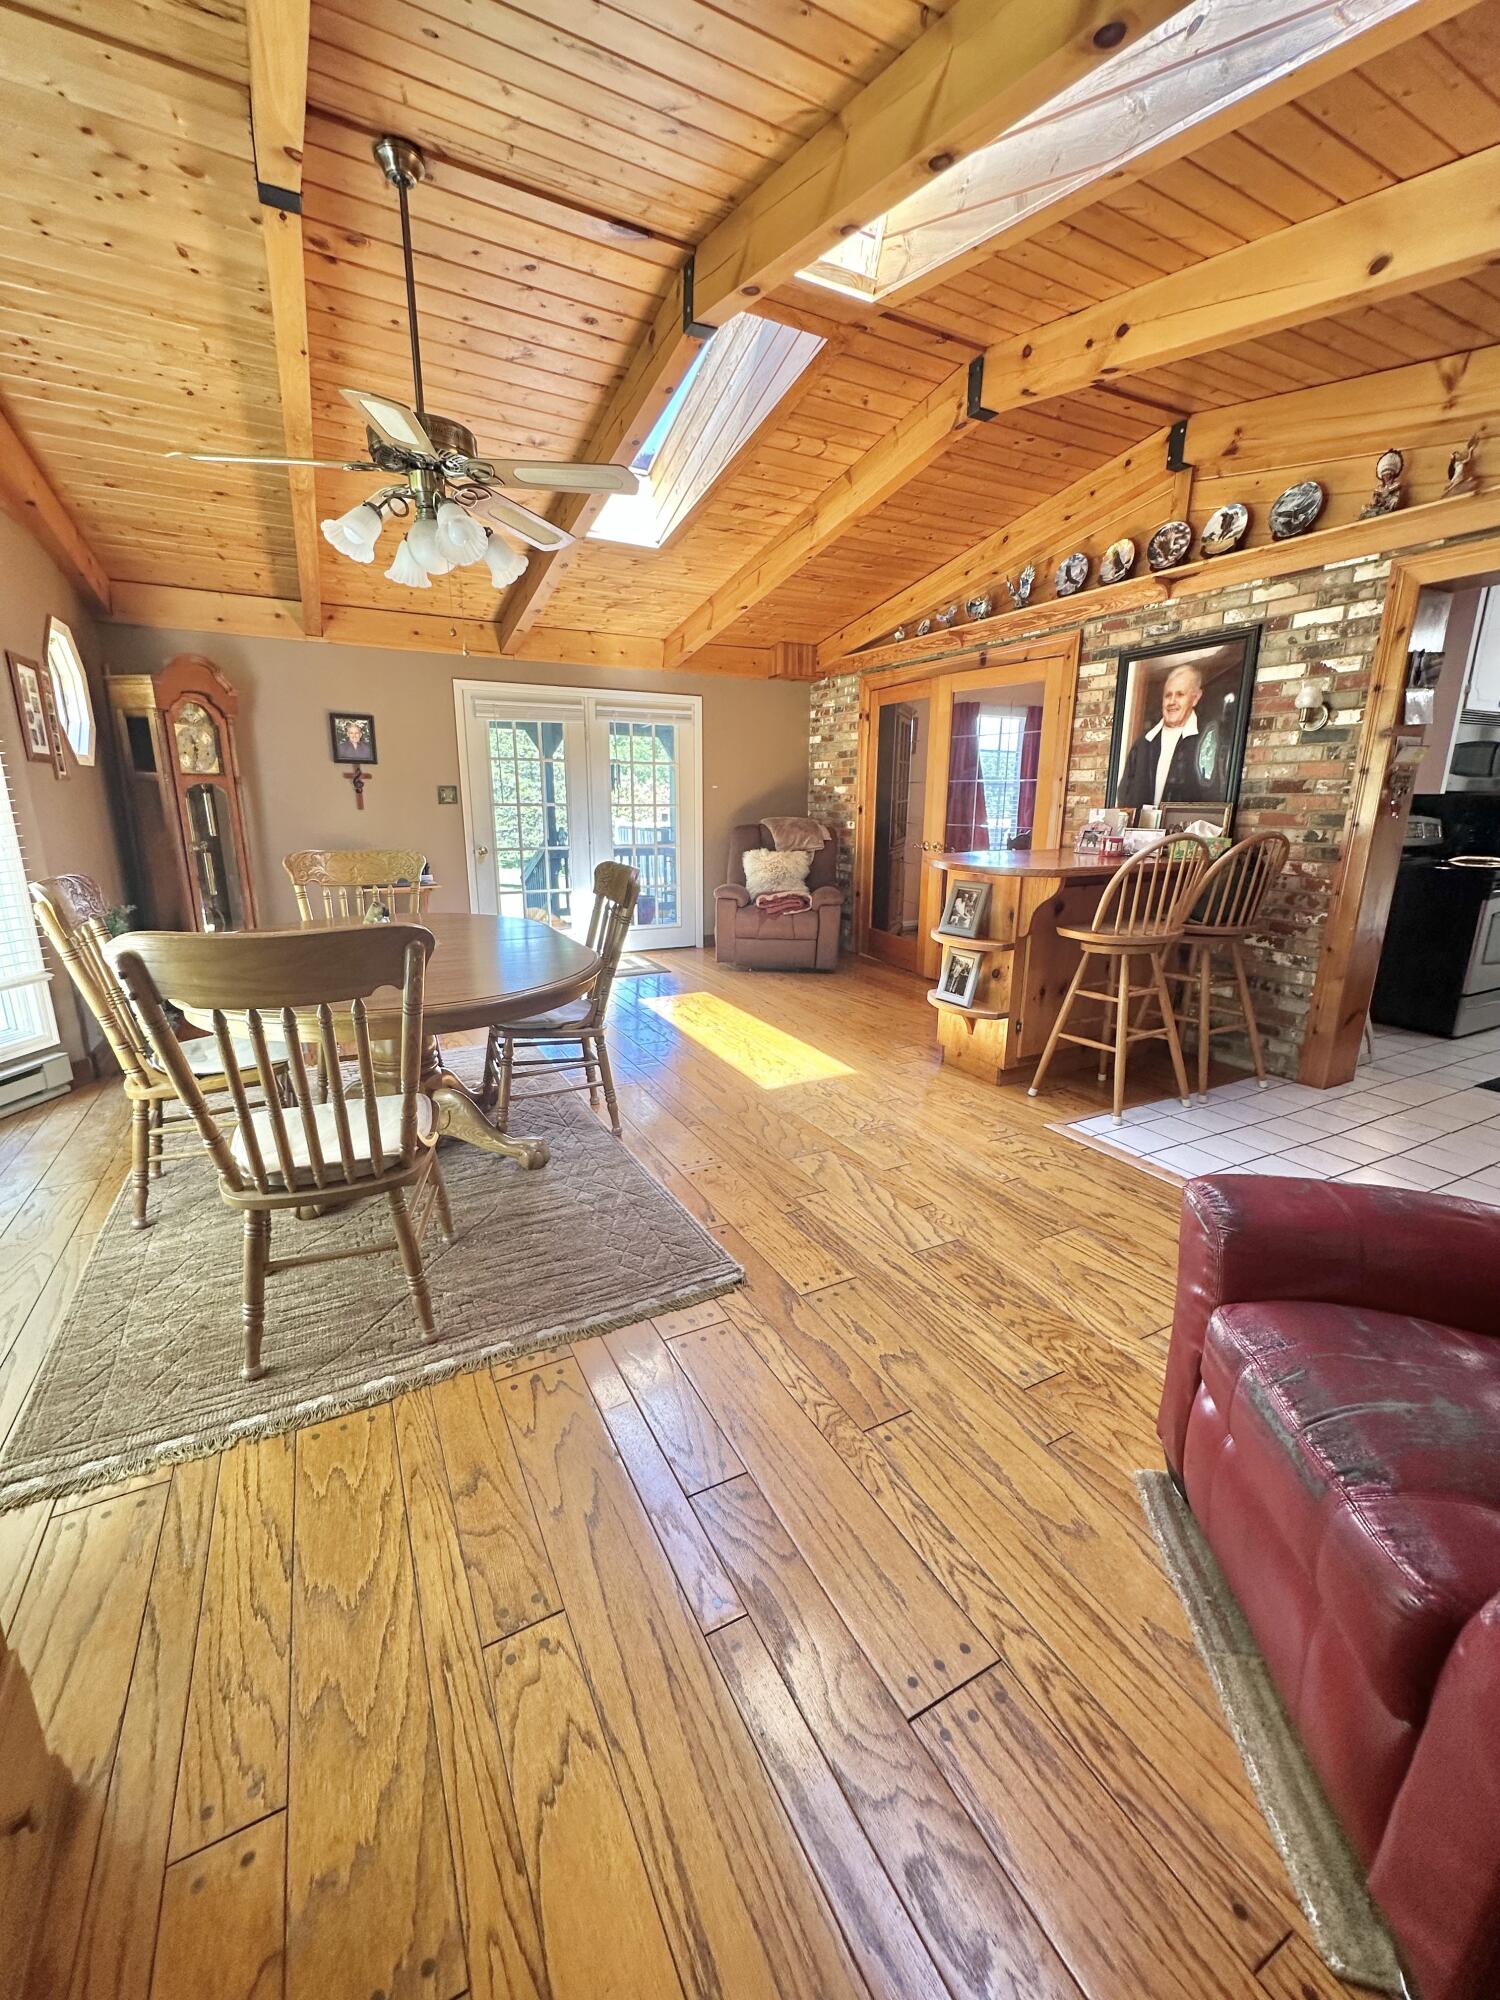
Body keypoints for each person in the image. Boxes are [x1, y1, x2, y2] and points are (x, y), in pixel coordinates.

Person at [1117, 661, 1217, 811]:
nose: (1172, 702)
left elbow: (1212, 795)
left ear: (1195, 698)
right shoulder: (1144, 743)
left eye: (1180, 695)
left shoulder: (1207, 740)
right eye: (1168, 695)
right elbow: (1125, 794)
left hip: (1186, 833)